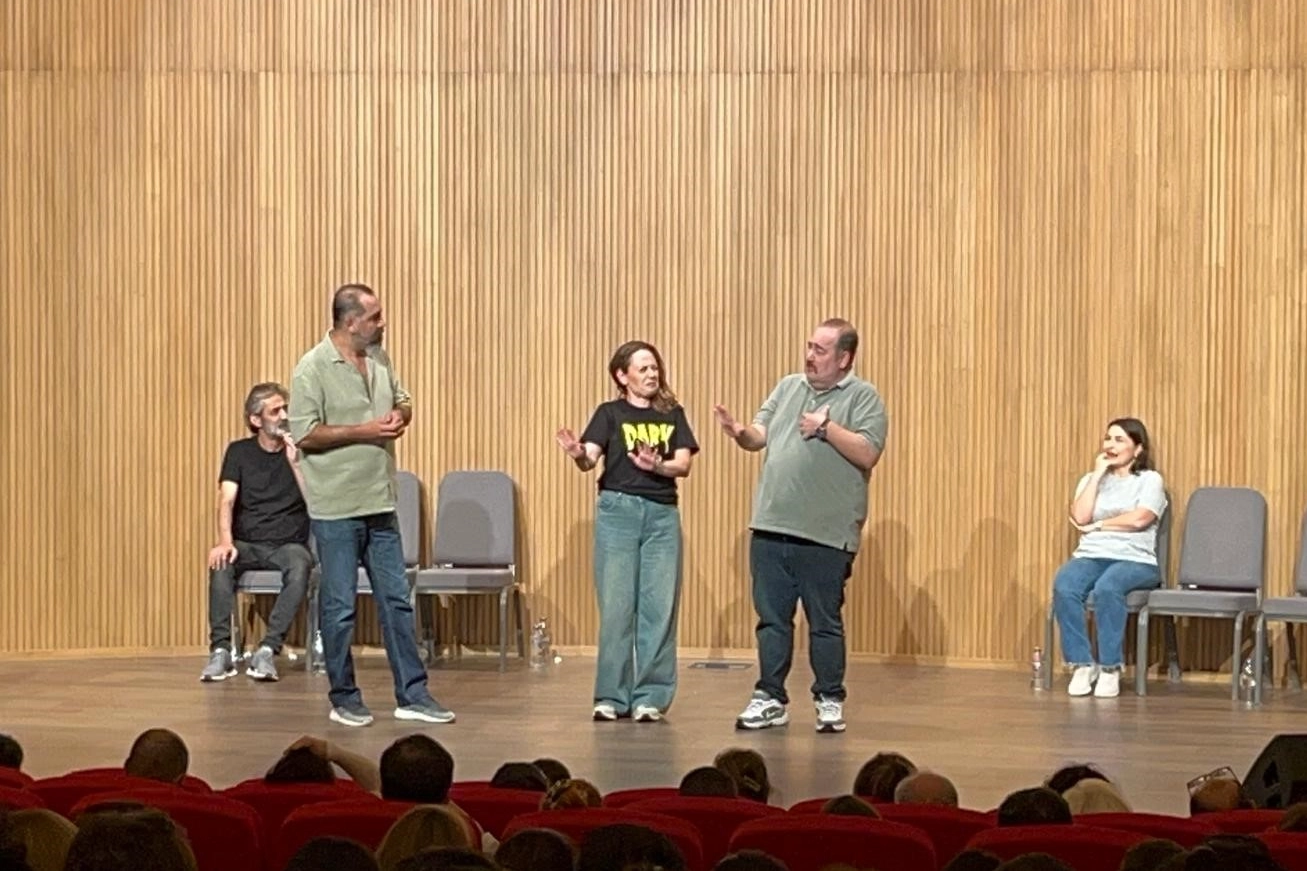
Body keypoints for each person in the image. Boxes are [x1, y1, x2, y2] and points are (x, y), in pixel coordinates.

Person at [713, 318, 888, 733]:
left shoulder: (864, 397)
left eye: (820, 350)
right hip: (771, 525)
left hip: (826, 535)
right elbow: (759, 434)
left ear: (844, 358)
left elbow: (868, 452)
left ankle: (829, 699)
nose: (810, 356)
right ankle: (770, 697)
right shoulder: (788, 386)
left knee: (824, 622)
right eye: (809, 347)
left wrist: (826, 428)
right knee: (772, 620)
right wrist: (740, 432)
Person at [289, 284, 451, 726]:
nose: (383, 323)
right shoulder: (312, 368)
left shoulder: (379, 356)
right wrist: (365, 430)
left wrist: (401, 414)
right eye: (375, 317)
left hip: (380, 501)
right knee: (340, 608)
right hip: (337, 508)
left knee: (397, 601)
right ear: (350, 322)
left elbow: (403, 398)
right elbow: (304, 434)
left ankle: (413, 695)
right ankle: (344, 697)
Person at [556, 341, 698, 722]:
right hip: (617, 512)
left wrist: (657, 466)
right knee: (617, 607)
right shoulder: (609, 413)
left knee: (658, 608)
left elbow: (683, 464)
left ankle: (650, 697)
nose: (652, 374)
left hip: (661, 516)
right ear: (622, 376)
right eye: (643, 369)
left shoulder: (672, 414)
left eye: (655, 368)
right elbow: (589, 458)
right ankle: (612, 697)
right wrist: (577, 453)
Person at [202, 382, 312, 683]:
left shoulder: (301, 450)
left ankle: (267, 649)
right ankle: (221, 651)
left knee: (300, 565)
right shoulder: (239, 452)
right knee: (220, 562)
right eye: (275, 411)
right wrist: (225, 541)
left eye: (286, 409)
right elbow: (226, 499)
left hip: (287, 544)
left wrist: (296, 464)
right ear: (256, 419)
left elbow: (315, 503)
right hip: (247, 543)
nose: (284, 416)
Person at [1053, 417, 1167, 698]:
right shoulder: (1090, 480)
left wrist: (1100, 524)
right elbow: (1080, 517)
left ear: (1137, 449)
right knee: (1065, 584)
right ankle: (1082, 664)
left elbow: (1140, 518)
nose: (1110, 445)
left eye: (1119, 440)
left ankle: (1109, 667)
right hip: (1092, 554)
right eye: (1108, 439)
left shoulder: (1149, 479)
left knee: (1108, 587)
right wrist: (1096, 475)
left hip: (1136, 559)